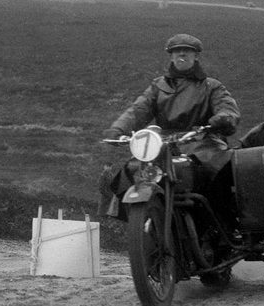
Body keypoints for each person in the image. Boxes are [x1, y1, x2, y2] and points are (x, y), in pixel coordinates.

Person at [98, 33, 240, 217]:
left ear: (196, 56)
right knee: (132, 169)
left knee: (217, 173)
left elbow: (227, 107)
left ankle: (221, 221)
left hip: (201, 140)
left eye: (187, 51)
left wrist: (223, 118)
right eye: (176, 51)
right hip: (163, 143)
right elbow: (138, 110)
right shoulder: (158, 86)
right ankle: (136, 222)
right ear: (171, 56)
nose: (181, 54)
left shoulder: (211, 86)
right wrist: (118, 129)